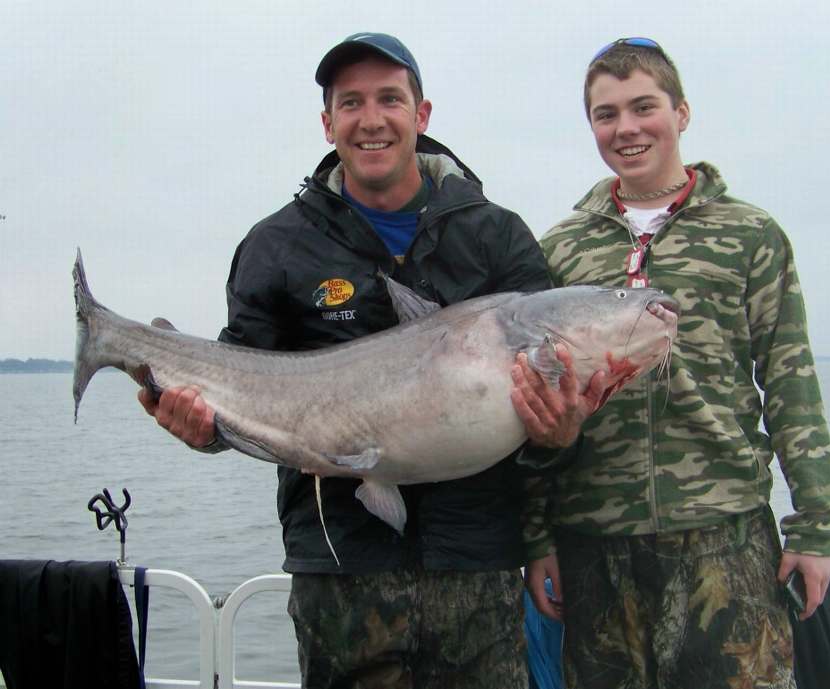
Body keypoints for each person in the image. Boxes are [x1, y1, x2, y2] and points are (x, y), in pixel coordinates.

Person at [138, 32, 599, 688]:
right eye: (350, 103)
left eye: (389, 98)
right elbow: (240, 390)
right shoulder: (277, 246)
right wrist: (203, 429)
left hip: (478, 572)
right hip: (341, 573)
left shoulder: (497, 236)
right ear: (327, 123)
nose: (371, 118)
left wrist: (561, 438)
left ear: (423, 113)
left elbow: (547, 433)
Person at [515, 37, 830, 689]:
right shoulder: (557, 251)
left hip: (725, 539)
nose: (626, 128)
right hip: (592, 541)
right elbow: (533, 405)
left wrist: (816, 525)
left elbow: (791, 384)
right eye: (606, 114)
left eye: (644, 107)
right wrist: (536, 536)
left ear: (681, 113)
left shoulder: (751, 235)